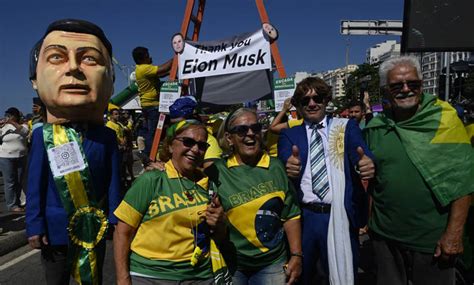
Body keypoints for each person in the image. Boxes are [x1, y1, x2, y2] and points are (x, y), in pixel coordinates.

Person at [26, 19, 122, 285]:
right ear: (34, 79)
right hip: (55, 230)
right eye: (56, 57)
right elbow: (34, 187)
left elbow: (114, 182)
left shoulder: (107, 137)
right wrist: (34, 225)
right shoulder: (41, 136)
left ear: (111, 82)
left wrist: (115, 218)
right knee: (55, 279)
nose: (73, 68)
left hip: (95, 228)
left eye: (90, 59)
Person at [364, 56, 473, 285]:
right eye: (397, 85)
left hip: (432, 240)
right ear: (385, 90)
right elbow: (372, 183)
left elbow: (464, 180)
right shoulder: (376, 127)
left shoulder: (444, 119)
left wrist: (454, 234)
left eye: (412, 83)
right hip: (385, 239)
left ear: (421, 85)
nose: (406, 89)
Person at [277, 77, 375, 285]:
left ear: (326, 99)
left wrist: (364, 163)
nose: (312, 103)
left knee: (341, 274)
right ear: (299, 106)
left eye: (317, 98)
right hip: (305, 218)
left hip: (339, 214)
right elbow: (286, 160)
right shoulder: (289, 135)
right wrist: (290, 167)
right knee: (303, 277)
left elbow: (359, 153)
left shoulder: (345, 127)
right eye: (305, 100)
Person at [113, 121, 227, 285]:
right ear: (171, 146)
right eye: (188, 142)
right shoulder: (152, 179)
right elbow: (122, 232)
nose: (195, 149)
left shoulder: (208, 185)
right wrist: (123, 279)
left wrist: (220, 224)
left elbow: (218, 236)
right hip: (151, 276)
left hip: (199, 276)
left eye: (202, 145)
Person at [207, 108, 302, 285]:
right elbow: (184, 174)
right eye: (242, 130)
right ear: (229, 138)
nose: (250, 134)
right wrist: (159, 167)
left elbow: (291, 215)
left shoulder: (276, 167)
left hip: (272, 264)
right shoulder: (216, 171)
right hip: (232, 264)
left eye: (255, 128)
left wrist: (296, 255)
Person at [132, 46, 172, 161]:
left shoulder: (143, 69)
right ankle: (148, 154)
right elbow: (163, 68)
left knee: (156, 130)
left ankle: (150, 152)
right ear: (142, 58)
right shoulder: (144, 68)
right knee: (154, 132)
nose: (150, 57)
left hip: (149, 106)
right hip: (152, 105)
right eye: (147, 55)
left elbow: (162, 73)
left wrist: (171, 70)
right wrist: (176, 56)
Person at [166, 96, 222, 167]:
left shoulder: (208, 141)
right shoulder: (173, 137)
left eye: (181, 123)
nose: (176, 127)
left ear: (194, 118)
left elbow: (210, 172)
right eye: (173, 124)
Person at [0, 107, 29, 212]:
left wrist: (12, 122)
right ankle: (12, 205)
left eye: (10, 115)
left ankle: (19, 202)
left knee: (19, 181)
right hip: (6, 157)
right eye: (7, 115)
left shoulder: (23, 125)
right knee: (10, 182)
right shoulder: (3, 127)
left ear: (15, 116)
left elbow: (25, 132)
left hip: (21, 156)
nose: (8, 117)